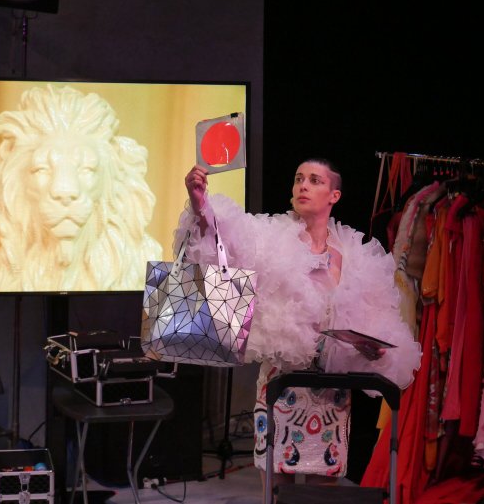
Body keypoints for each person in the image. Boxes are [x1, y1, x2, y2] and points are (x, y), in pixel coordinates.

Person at [179, 158, 421, 495]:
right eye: (298, 179)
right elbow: (225, 243)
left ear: (333, 195)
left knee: (324, 487)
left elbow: (373, 316)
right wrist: (199, 202)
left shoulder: (352, 253)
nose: (303, 186)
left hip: (329, 393)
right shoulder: (271, 237)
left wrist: (369, 348)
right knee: (277, 486)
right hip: (282, 386)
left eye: (314, 180)